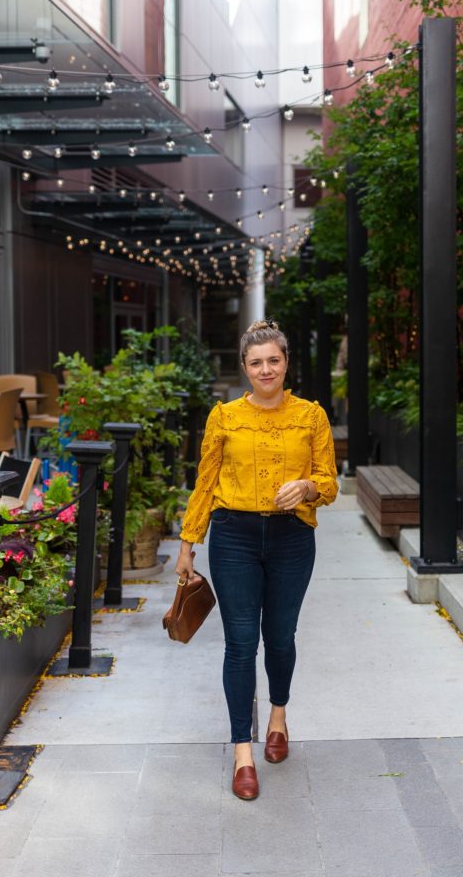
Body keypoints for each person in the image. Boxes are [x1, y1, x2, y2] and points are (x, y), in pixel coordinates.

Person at [176, 319, 338, 801]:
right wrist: (188, 542)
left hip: (292, 538)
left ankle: (279, 716)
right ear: (244, 367)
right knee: (241, 643)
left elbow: (329, 480)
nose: (265, 369)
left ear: (286, 363)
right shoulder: (223, 417)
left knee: (281, 636)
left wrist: (308, 486)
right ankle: (242, 750)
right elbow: (205, 481)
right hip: (234, 538)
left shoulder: (311, 416)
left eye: (274, 360)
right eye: (256, 362)